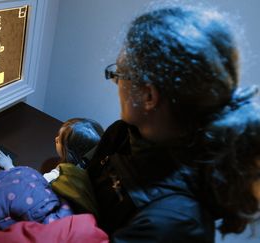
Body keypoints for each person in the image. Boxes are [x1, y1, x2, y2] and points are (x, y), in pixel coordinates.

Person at [87, 5, 260, 242]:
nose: (116, 83)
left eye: (120, 74)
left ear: (149, 96)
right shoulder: (122, 134)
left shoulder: (174, 225)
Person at [0, 118, 104, 230]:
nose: (55, 138)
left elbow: (30, 187)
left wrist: (9, 167)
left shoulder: (60, 176)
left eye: (59, 140)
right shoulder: (93, 170)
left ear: (69, 153)